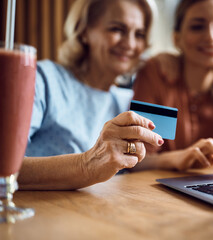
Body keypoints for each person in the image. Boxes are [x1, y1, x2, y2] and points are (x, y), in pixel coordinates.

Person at [18, 0, 164, 190]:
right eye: (117, 29)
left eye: (139, 34)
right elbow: (5, 166)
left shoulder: (127, 102)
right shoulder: (43, 80)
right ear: (84, 31)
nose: (130, 43)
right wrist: (87, 165)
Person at [132, 0, 213, 171]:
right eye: (197, 27)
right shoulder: (159, 77)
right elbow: (139, 159)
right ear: (177, 38)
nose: (211, 37)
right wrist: (178, 158)